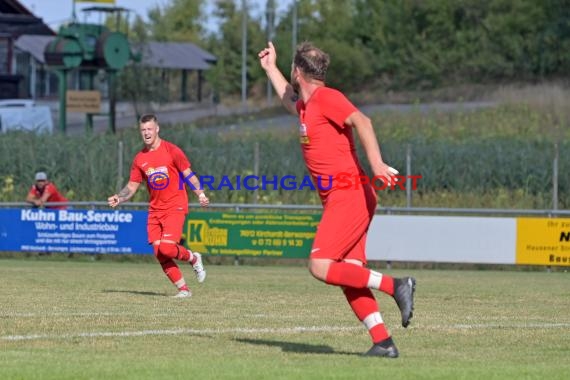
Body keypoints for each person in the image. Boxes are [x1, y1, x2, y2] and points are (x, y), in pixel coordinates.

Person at [258, 41, 416, 357]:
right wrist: (270, 68)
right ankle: (383, 342)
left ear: (298, 71)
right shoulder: (307, 103)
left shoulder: (328, 98)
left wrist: (377, 164)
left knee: (320, 264)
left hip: (350, 194)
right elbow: (290, 99)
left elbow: (363, 121)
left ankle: (397, 286)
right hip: (350, 197)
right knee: (349, 274)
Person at [107, 113, 209, 298]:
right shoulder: (140, 159)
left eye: (149, 129)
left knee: (167, 248)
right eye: (143, 130)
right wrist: (119, 198)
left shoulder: (172, 150)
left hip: (175, 206)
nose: (146, 133)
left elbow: (188, 174)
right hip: (155, 210)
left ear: (157, 129)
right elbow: (131, 187)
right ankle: (184, 290)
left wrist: (200, 194)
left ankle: (194, 258)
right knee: (159, 253)